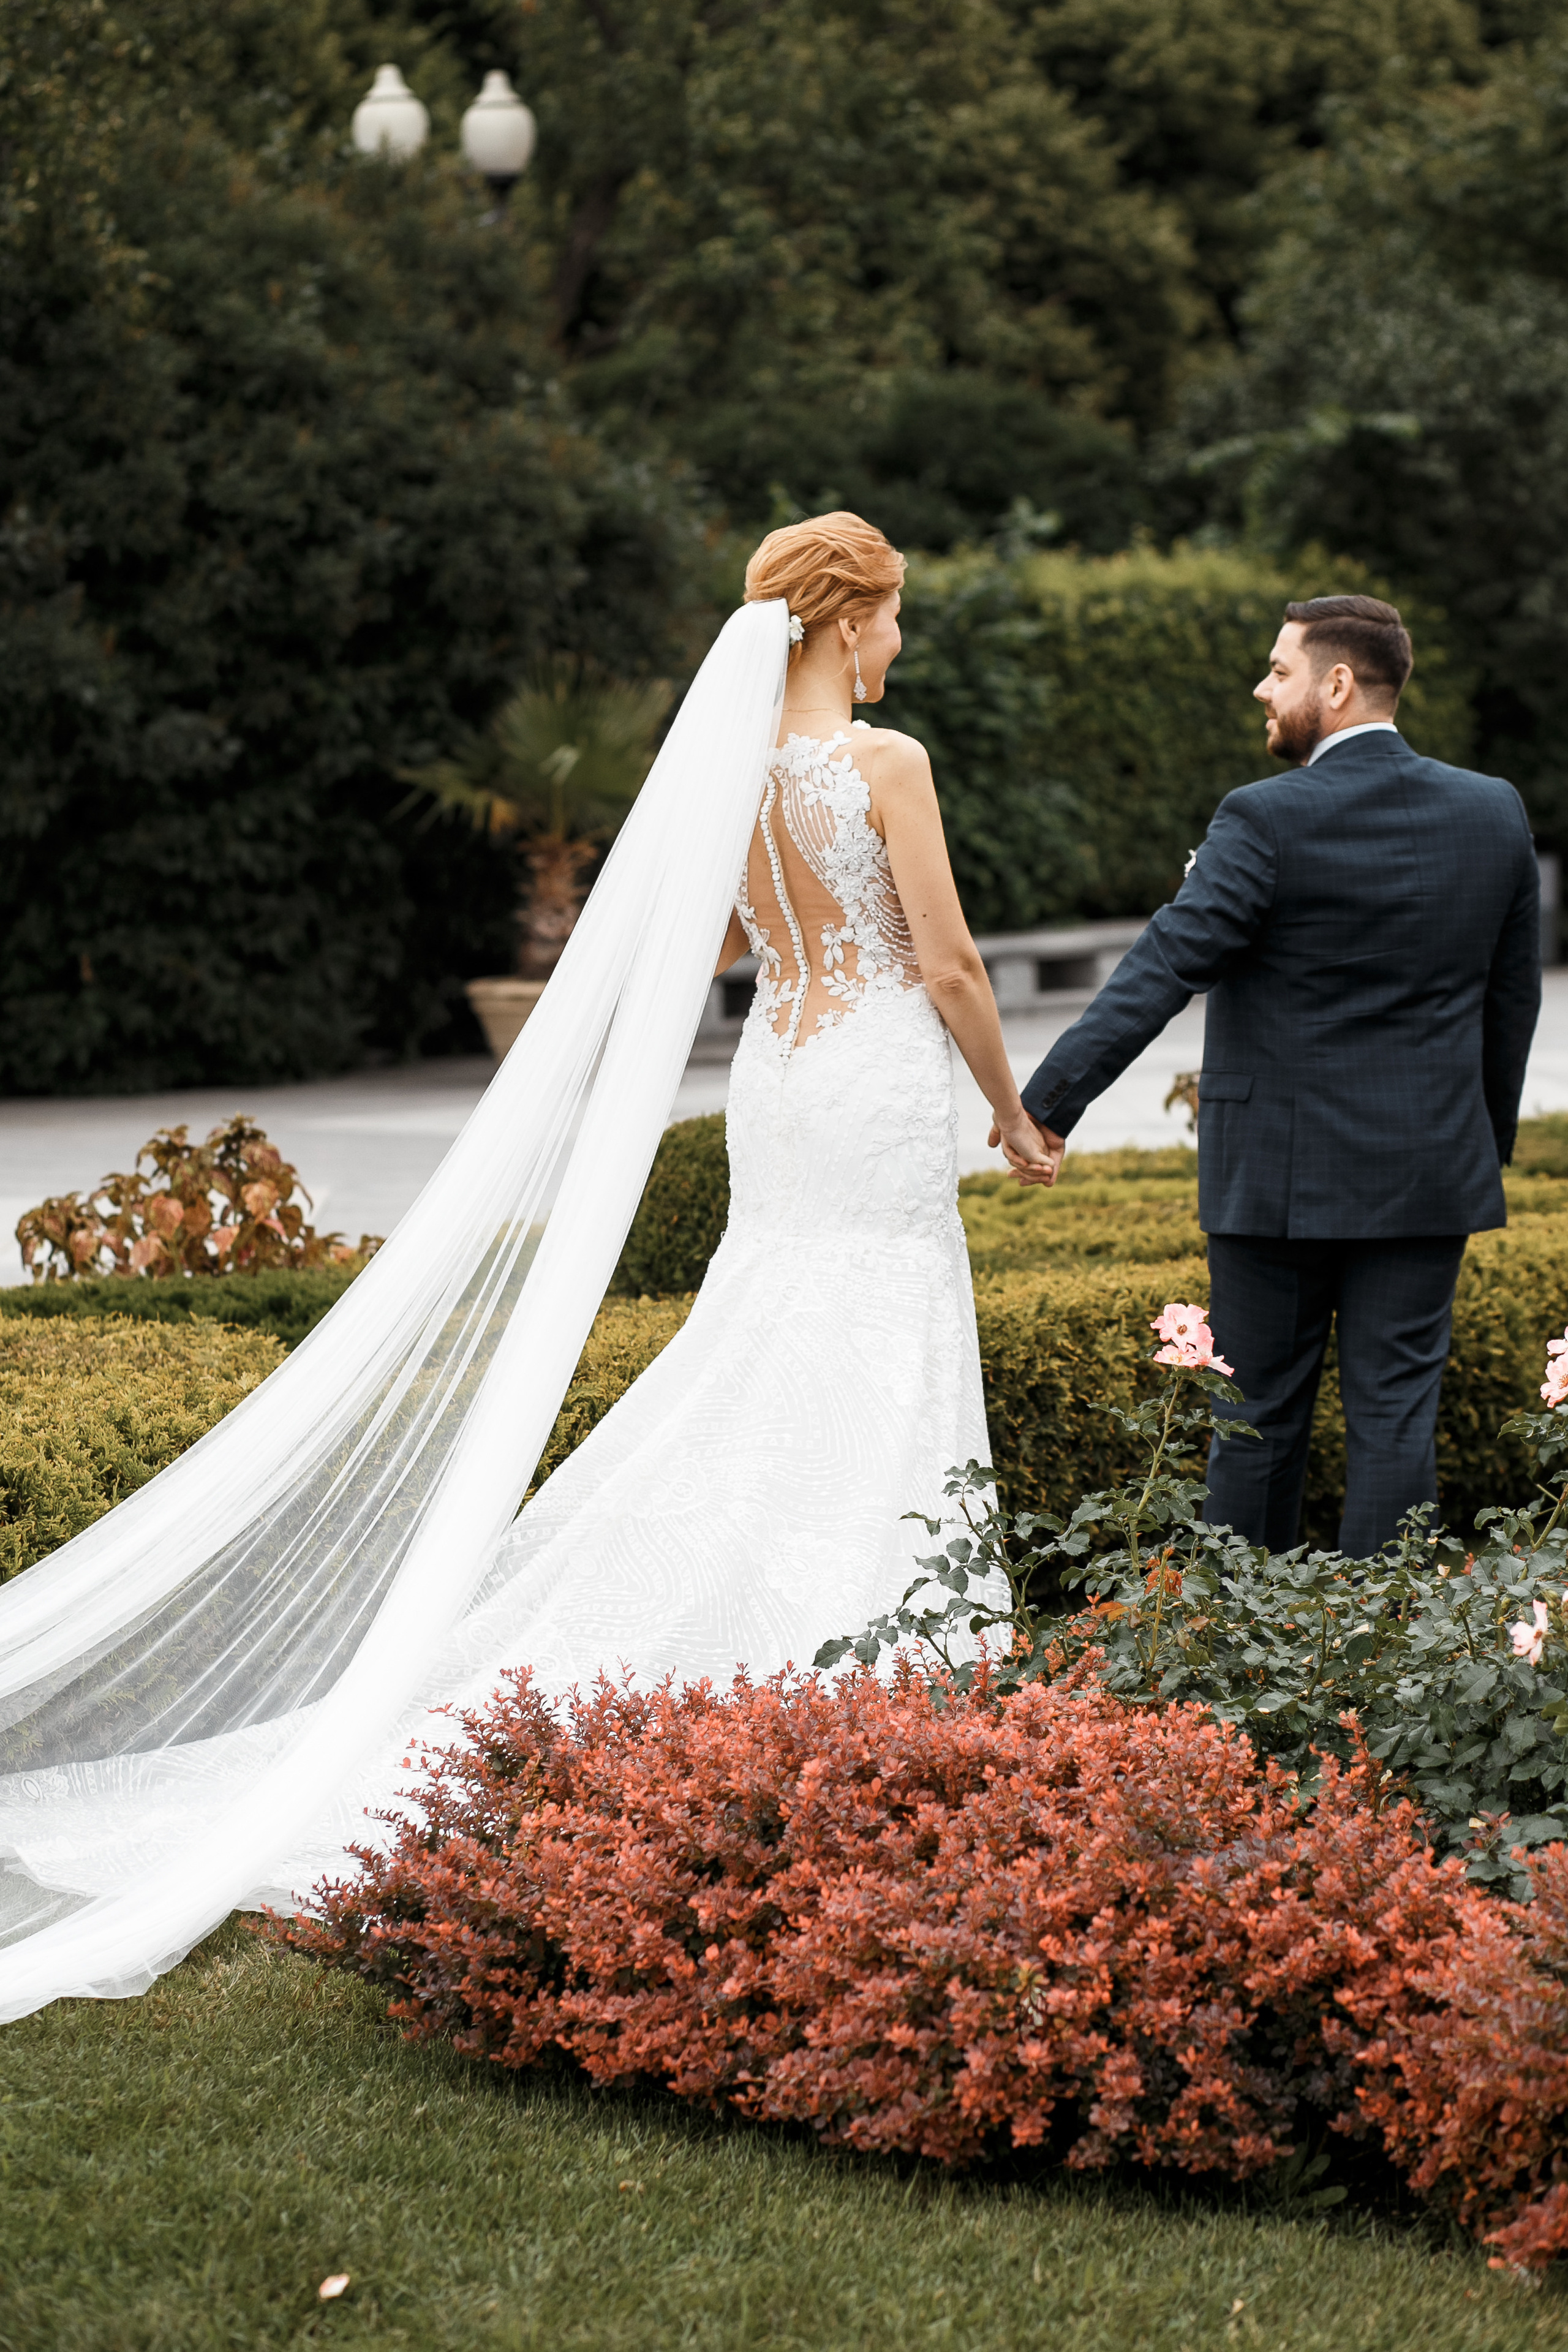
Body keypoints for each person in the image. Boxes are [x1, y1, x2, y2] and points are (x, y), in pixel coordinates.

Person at [0, 513, 1046, 2022]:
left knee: (771, 1325)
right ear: (841, 621)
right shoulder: (887, 764)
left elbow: (725, 948)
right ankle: (863, 1651)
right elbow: (945, 963)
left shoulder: (733, 772)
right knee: (868, 1325)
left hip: (780, 1078)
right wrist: (1011, 1111)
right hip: (873, 1076)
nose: (896, 643)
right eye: (890, 617)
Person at [1005, 594, 1540, 1556]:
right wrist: (1477, 1147)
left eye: (1279, 671)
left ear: (1336, 685)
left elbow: (1164, 967)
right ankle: (1387, 1637)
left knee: (1254, 1421)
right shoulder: (1492, 809)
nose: (1262, 687)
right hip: (1429, 1171)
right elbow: (1512, 1005)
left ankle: (1245, 1634)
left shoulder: (1262, 816)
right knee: (1397, 1421)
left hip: (1276, 1179)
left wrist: (1046, 1105)